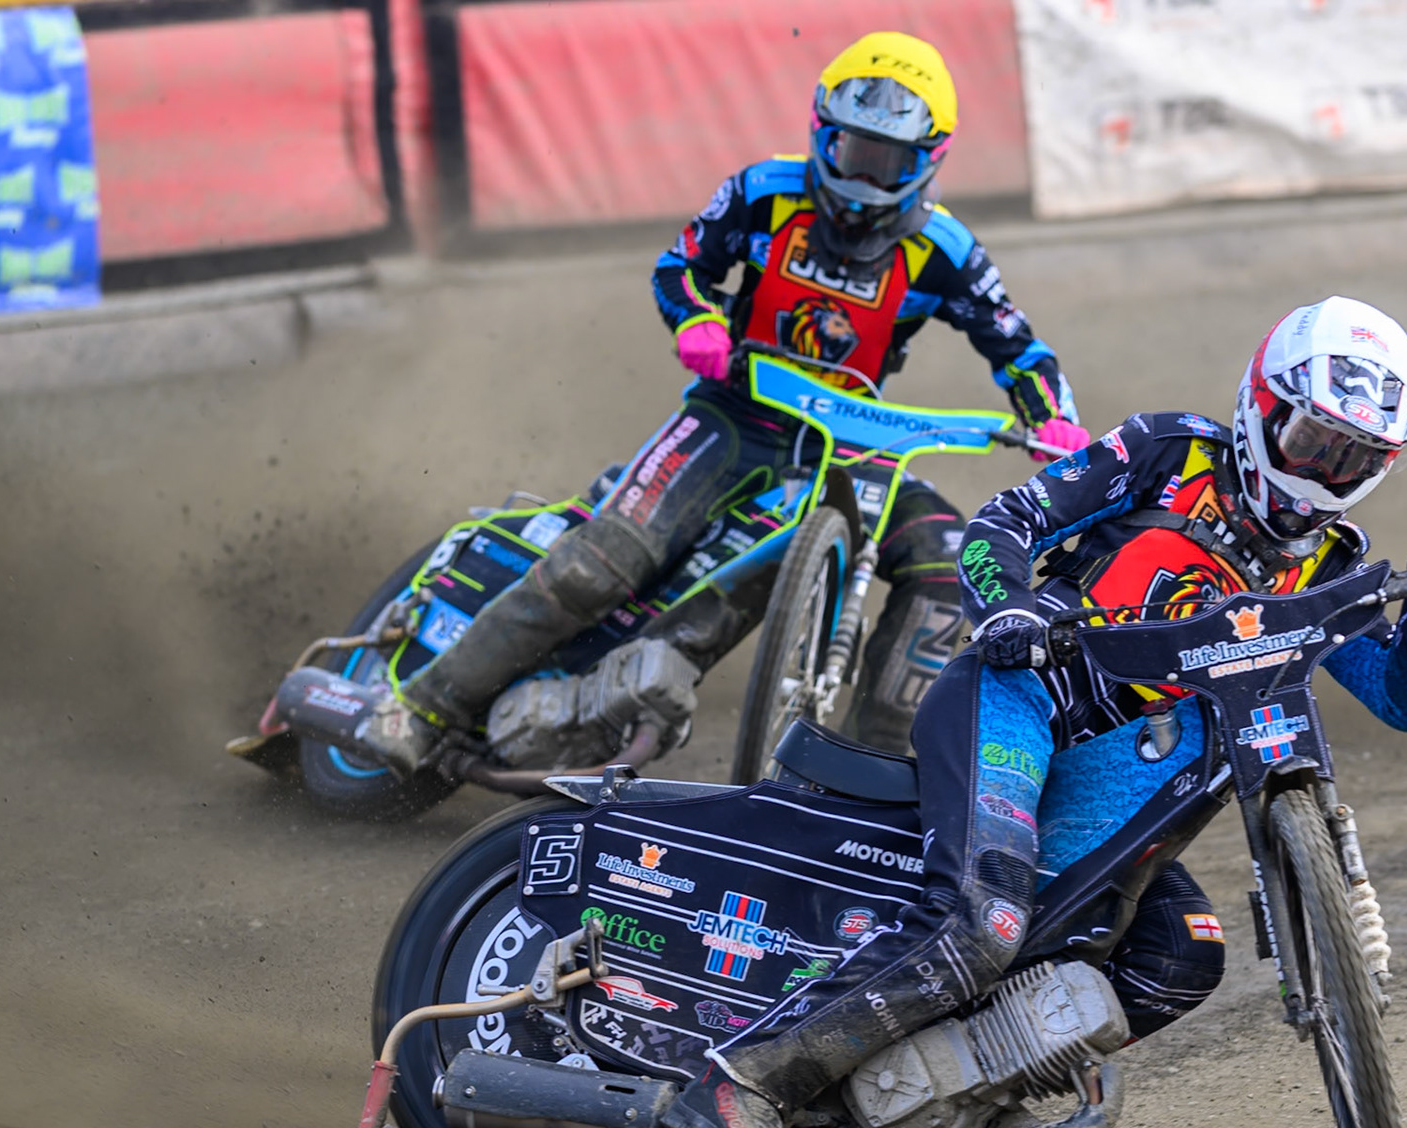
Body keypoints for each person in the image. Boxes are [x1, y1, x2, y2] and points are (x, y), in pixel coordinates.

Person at [660, 296, 1407, 1128]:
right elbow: (997, 527)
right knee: (984, 921)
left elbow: (1405, 702)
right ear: (1261, 401)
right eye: (1314, 440)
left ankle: (964, 1091)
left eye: (1356, 457)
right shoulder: (1170, 451)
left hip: (1122, 770)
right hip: (1019, 697)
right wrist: (1008, 605)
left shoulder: (1332, 559)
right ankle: (738, 1080)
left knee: (1186, 952)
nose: (1326, 472)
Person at [335, 31, 1086, 772]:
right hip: (730, 414)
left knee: (949, 564)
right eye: (854, 148)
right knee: (595, 569)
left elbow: (1021, 351)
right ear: (822, 132)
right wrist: (695, 318)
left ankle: (874, 774)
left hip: (855, 447)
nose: (862, 177)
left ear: (928, 161)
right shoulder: (763, 192)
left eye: (886, 159)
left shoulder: (950, 251)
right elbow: (680, 267)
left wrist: (1054, 417)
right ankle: (420, 705)